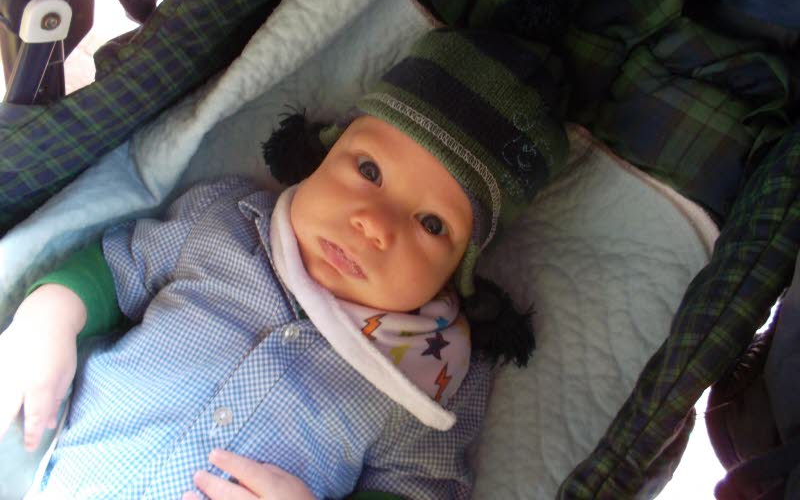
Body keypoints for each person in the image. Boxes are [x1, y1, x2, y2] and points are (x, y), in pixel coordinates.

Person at [0, 29, 568, 499]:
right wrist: (49, 317)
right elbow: (118, 265)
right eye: (369, 171)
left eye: (431, 224)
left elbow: (421, 487)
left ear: (458, 272)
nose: (375, 224)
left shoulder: (429, 379)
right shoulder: (225, 222)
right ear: (321, 155)